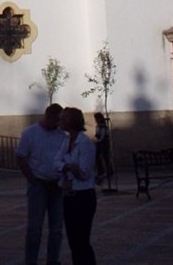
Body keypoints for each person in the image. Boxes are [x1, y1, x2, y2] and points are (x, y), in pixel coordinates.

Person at [15, 104, 65, 265]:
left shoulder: (62, 135)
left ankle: (53, 260)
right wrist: (32, 179)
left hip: (56, 185)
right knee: (34, 229)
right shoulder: (30, 133)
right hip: (38, 183)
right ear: (49, 117)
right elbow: (21, 157)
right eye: (57, 120)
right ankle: (31, 261)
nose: (59, 124)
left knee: (56, 229)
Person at [55, 108, 97, 265]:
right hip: (69, 195)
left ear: (73, 121)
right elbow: (56, 162)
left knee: (82, 240)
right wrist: (68, 167)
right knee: (73, 240)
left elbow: (84, 172)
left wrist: (67, 167)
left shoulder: (85, 143)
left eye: (64, 119)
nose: (60, 122)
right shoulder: (67, 141)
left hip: (84, 196)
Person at [93, 113, 111, 186]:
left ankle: (108, 171)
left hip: (103, 143)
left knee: (105, 157)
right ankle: (101, 171)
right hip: (99, 142)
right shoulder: (98, 126)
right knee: (98, 158)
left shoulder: (103, 127)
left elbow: (103, 136)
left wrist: (99, 140)